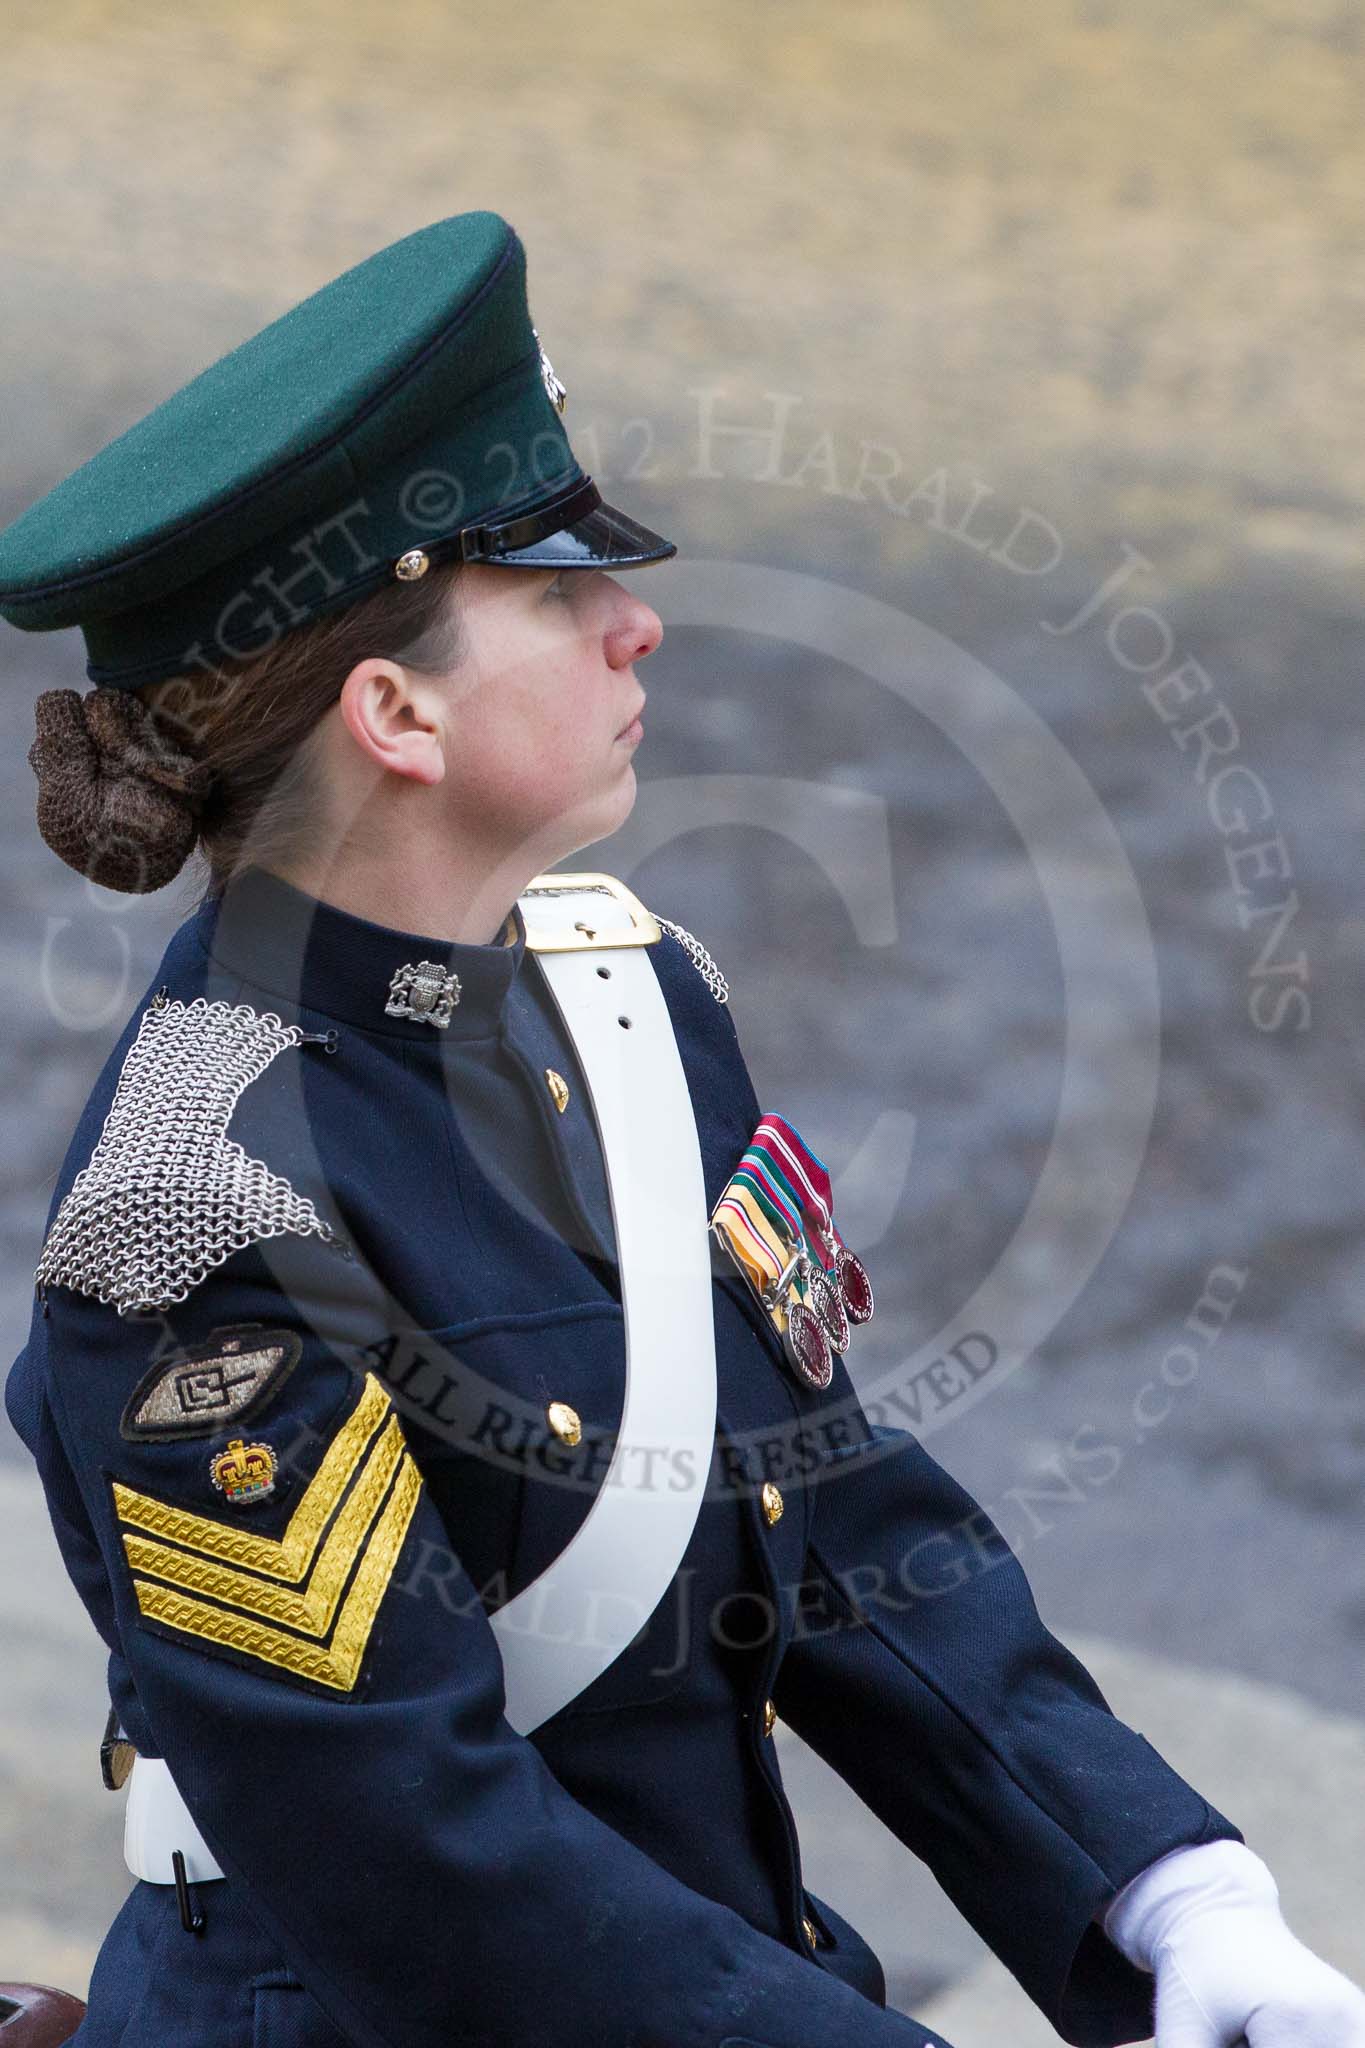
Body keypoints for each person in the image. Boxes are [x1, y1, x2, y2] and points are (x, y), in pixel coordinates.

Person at [1, 210, 1361, 2048]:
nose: (636, 618)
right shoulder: (194, 1209)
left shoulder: (630, 1000)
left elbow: (823, 1514)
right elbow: (420, 1861)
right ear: (394, 711)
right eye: (556, 592)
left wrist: (1166, 1897)